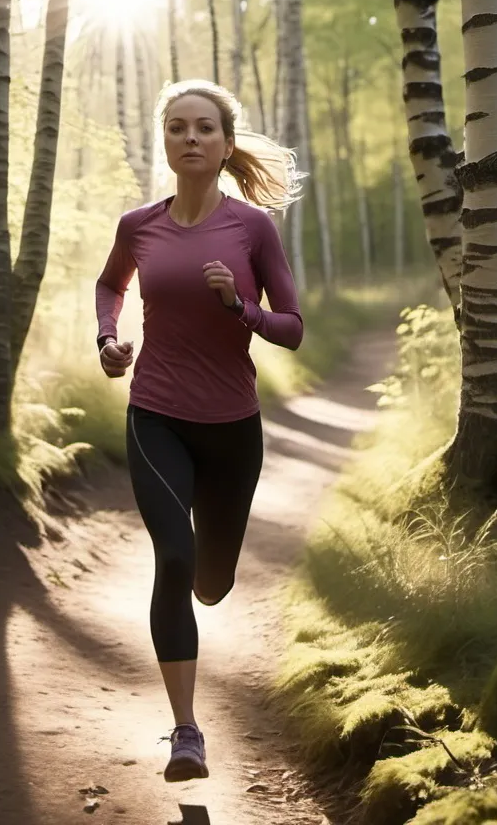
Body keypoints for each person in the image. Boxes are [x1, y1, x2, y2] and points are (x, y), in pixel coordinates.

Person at [95, 79, 304, 783]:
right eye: (178, 127)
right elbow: (109, 285)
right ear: (165, 140)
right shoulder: (138, 225)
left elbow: (293, 329)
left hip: (232, 429)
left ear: (225, 143)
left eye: (205, 128)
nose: (191, 138)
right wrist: (107, 340)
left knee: (210, 582)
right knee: (175, 559)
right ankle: (186, 731)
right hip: (155, 414)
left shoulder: (252, 229)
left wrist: (239, 306)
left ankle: (210, 588)